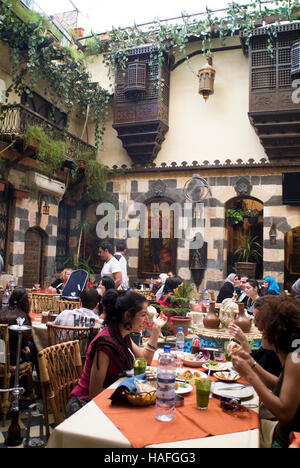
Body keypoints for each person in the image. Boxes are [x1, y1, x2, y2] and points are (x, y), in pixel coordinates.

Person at [66, 290, 168, 415]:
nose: (147, 319)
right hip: (84, 405)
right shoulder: (105, 344)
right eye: (142, 315)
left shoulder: (122, 335)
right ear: (127, 316)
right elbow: (94, 393)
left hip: (110, 396)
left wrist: (156, 329)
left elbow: (145, 360)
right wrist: (129, 398)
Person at [229, 295, 300, 448]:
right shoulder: (290, 354)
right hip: (281, 430)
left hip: (285, 439)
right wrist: (251, 362)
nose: (258, 329)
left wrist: (250, 374)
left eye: (262, 326)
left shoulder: (296, 359)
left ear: (277, 329)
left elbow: (284, 413)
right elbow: (278, 385)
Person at [0, 288, 37, 369]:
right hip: (13, 358)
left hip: (1, 355)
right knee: (35, 348)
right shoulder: (22, 317)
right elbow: (25, 338)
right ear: (25, 301)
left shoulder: (2, 311)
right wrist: (24, 346)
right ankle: (40, 378)